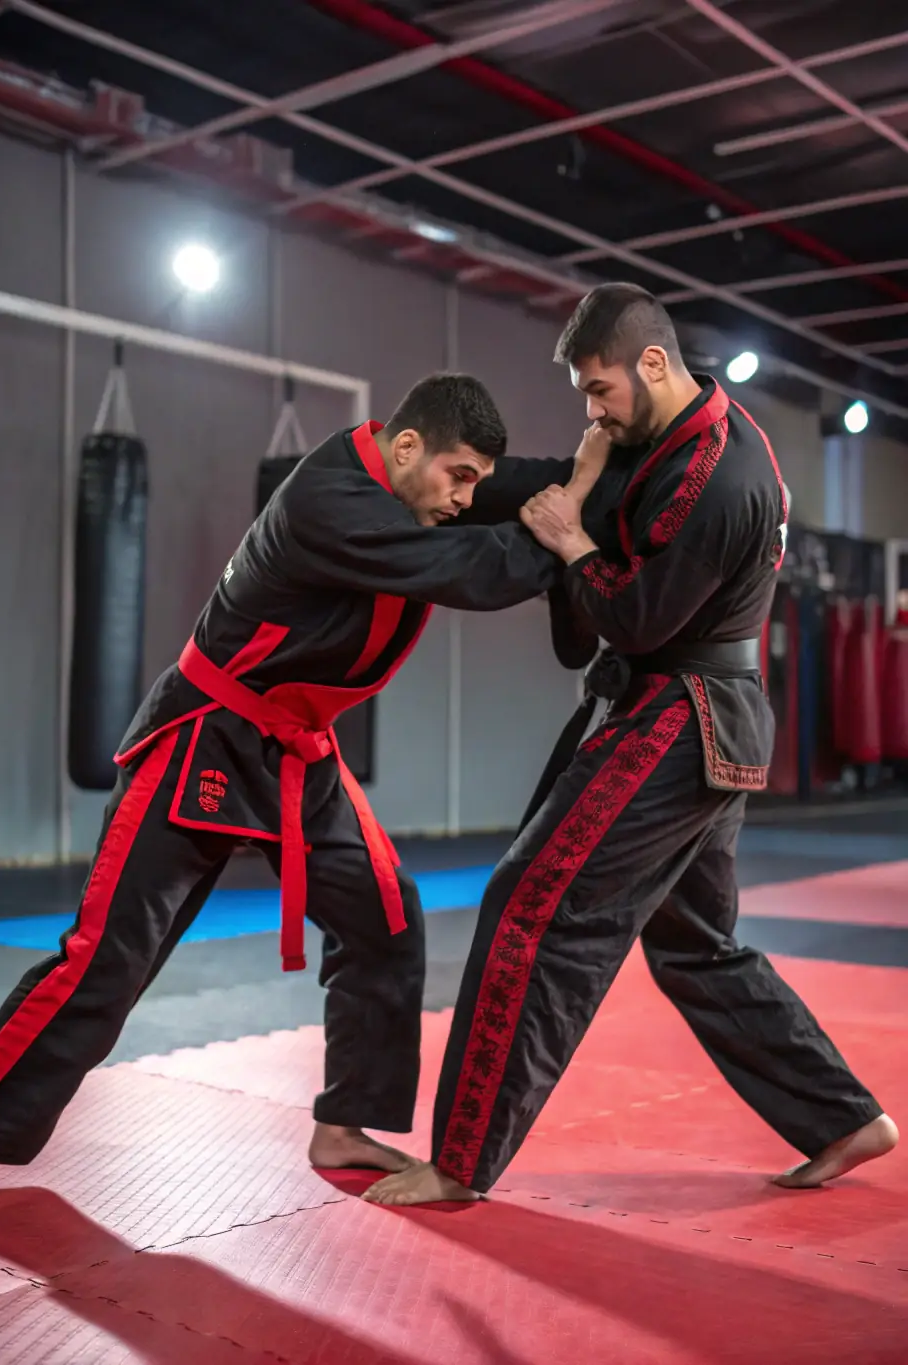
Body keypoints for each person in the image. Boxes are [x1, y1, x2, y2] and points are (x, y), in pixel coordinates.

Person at [0, 372, 603, 1207]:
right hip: (203, 735)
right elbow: (464, 571)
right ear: (407, 446)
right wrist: (566, 537)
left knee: (384, 916)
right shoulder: (328, 496)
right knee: (107, 957)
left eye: (476, 483)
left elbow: (522, 484)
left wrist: (602, 459)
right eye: (459, 477)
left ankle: (345, 1121)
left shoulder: (418, 486)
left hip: (296, 752)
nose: (467, 497)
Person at [363, 283, 898, 1208]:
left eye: (601, 389)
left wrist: (571, 543)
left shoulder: (726, 475)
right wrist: (418, 475)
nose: (594, 411)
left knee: (529, 901)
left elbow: (636, 615)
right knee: (694, 943)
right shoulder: (655, 444)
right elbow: (547, 483)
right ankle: (843, 1117)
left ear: (654, 363)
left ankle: (459, 1160)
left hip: (682, 712)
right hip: (687, 710)